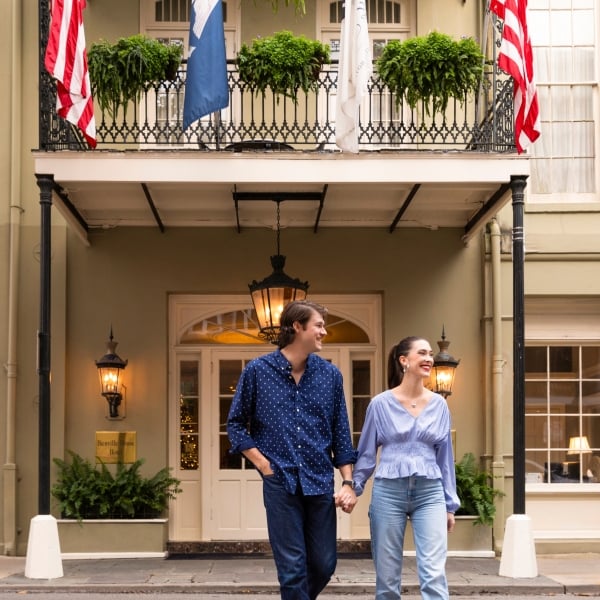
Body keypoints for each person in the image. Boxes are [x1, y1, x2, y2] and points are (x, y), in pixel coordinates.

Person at [226, 300, 358, 600]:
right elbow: (235, 424)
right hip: (280, 482)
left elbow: (340, 432)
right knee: (292, 569)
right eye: (319, 325)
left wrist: (348, 481)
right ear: (298, 327)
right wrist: (264, 465)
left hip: (319, 481)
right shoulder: (258, 371)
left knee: (324, 564)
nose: (324, 332)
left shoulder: (330, 375)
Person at [350, 336, 460, 600]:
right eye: (422, 353)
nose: (429, 359)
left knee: (433, 574)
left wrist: (449, 504)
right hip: (388, 493)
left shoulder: (439, 405)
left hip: (429, 493)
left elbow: (445, 458)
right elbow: (366, 453)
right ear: (404, 360)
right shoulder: (380, 404)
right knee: (387, 579)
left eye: (430, 354)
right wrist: (354, 487)